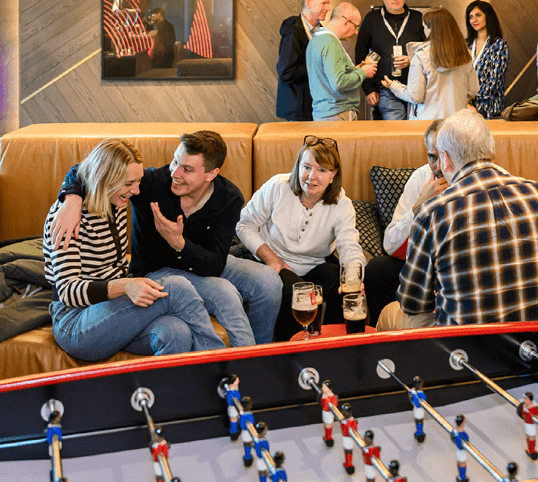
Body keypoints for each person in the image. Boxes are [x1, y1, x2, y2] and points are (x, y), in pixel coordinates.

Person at [50, 131, 281, 346]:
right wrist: (71, 199)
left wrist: (179, 243)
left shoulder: (228, 198)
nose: (176, 174)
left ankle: (257, 359)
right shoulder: (147, 185)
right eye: (174, 162)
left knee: (269, 282)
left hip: (199, 264)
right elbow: (89, 169)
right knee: (221, 291)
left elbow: (215, 263)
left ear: (211, 174)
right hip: (154, 270)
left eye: (187, 169)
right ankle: (225, 368)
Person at [377, 110, 538, 330]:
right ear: (490, 149)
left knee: (390, 313)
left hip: (468, 350)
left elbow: (413, 303)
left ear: (445, 159)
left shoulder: (433, 211)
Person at [42, 139, 223, 361]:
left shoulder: (115, 201)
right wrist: (126, 286)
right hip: (75, 323)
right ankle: (220, 367)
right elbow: (68, 292)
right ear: (105, 178)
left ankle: (160, 395)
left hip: (112, 312)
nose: (136, 190)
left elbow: (85, 169)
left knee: (177, 332)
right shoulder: (67, 216)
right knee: (176, 287)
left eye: (137, 182)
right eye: (129, 183)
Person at [237, 135, 367, 340]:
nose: (311, 176)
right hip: (274, 262)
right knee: (297, 292)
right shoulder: (278, 187)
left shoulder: (342, 204)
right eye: (306, 167)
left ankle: (333, 348)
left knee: (339, 285)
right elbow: (244, 225)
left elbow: (349, 245)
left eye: (322, 170)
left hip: (315, 265)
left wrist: (353, 278)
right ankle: (289, 356)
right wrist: (272, 259)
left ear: (334, 175)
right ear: (298, 167)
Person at [363, 119, 445, 319]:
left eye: (444, 155)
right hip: (423, 266)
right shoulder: (421, 178)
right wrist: (419, 207)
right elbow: (390, 244)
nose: (440, 166)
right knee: (377, 270)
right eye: (432, 157)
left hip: (460, 266)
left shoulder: (477, 177)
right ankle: (381, 341)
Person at [380, 8, 475, 121]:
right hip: (457, 121)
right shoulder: (465, 54)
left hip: (428, 123)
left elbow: (416, 96)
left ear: (430, 30)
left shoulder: (420, 56)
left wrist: (393, 86)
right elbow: (472, 90)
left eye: (424, 27)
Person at [355, 0, 426, 120]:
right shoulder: (372, 19)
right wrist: (368, 89)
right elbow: (360, 53)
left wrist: (411, 59)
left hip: (415, 87)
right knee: (398, 134)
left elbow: (429, 50)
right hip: (386, 88)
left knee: (416, 131)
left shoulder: (417, 18)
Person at [309, 3, 378, 121]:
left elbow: (327, 76)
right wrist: (362, 72)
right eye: (356, 26)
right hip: (337, 114)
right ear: (346, 22)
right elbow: (339, 83)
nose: (356, 32)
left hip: (324, 113)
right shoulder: (331, 43)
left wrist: (354, 70)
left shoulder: (316, 40)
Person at [276, 0, 331, 121]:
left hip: (317, 108)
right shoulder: (293, 32)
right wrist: (318, 66)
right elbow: (286, 72)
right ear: (308, 3)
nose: (328, 8)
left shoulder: (321, 32)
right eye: (324, 3)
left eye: (328, 4)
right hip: (299, 110)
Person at [466, 0, 509, 119]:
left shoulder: (499, 45)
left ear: (488, 16)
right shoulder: (466, 45)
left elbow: (494, 82)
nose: (474, 20)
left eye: (478, 15)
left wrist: (469, 98)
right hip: (466, 108)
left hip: (490, 109)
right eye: (471, 17)